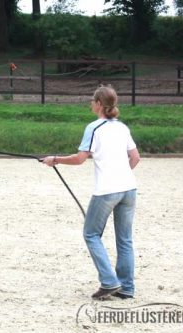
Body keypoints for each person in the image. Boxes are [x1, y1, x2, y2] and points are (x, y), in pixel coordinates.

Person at [41, 85, 140, 300]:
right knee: (125, 240)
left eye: (92, 101)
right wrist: (121, 174)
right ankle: (126, 288)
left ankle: (109, 281)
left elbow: (79, 158)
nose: (90, 104)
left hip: (107, 190)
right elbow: (135, 158)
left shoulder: (94, 127)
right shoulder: (122, 128)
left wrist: (54, 159)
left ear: (98, 104)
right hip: (129, 189)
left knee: (91, 234)